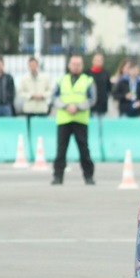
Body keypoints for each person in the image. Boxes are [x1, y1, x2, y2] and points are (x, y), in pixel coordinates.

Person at [51, 54, 95, 186]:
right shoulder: (61, 80)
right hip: (64, 120)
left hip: (80, 120)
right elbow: (54, 97)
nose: (76, 67)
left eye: (78, 64)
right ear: (69, 65)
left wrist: (78, 107)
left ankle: (89, 176)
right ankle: (58, 177)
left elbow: (93, 99)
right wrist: (66, 106)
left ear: (82, 66)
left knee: (84, 150)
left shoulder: (88, 81)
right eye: (74, 64)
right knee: (61, 150)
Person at [87, 52, 112, 118]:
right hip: (91, 106)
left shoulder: (106, 73)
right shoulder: (87, 73)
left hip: (102, 105)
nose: (98, 62)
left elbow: (108, 88)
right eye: (96, 60)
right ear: (93, 61)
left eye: (100, 60)